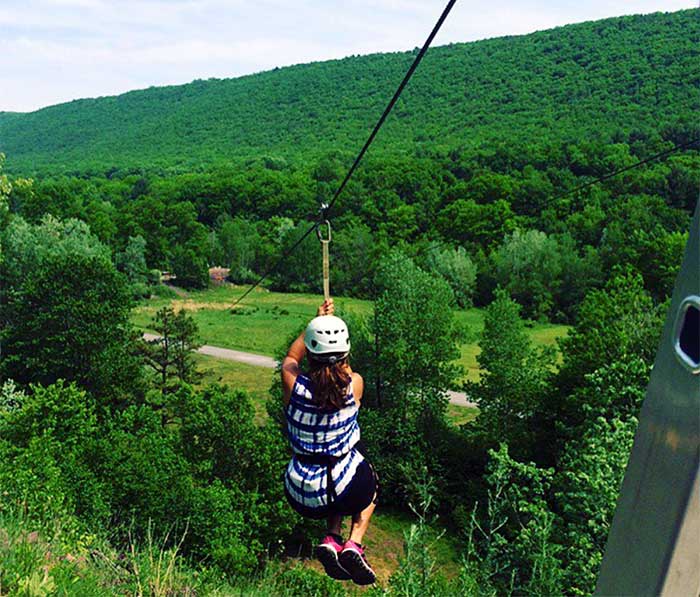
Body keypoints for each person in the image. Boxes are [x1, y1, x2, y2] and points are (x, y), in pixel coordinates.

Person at [282, 298, 378, 586]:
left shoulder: (292, 384)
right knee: (368, 479)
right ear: (346, 353)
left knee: (335, 467)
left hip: (300, 491)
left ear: (312, 350)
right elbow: (344, 373)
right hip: (343, 486)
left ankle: (331, 538)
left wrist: (315, 323)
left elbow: (291, 357)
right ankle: (354, 544)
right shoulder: (355, 384)